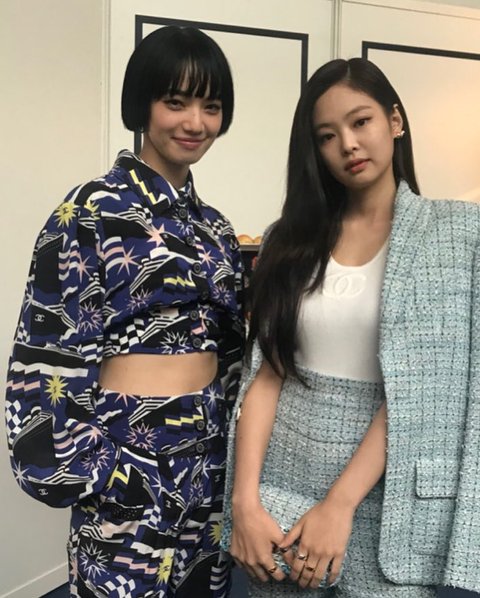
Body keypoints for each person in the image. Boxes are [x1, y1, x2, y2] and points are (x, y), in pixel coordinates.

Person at [221, 57, 480, 597]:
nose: (348, 144)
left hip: (391, 502)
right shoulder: (287, 240)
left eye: (361, 122)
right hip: (282, 488)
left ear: (395, 121)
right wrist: (243, 504)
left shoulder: (457, 235)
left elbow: (422, 388)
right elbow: (266, 376)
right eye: (327, 135)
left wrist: (338, 505)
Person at [5, 26, 244, 598]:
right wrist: (101, 472)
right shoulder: (90, 211)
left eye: (211, 107)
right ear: (142, 105)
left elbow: (234, 352)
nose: (195, 123)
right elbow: (48, 351)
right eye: (176, 102)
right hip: (127, 470)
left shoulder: (217, 229)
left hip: (207, 468)